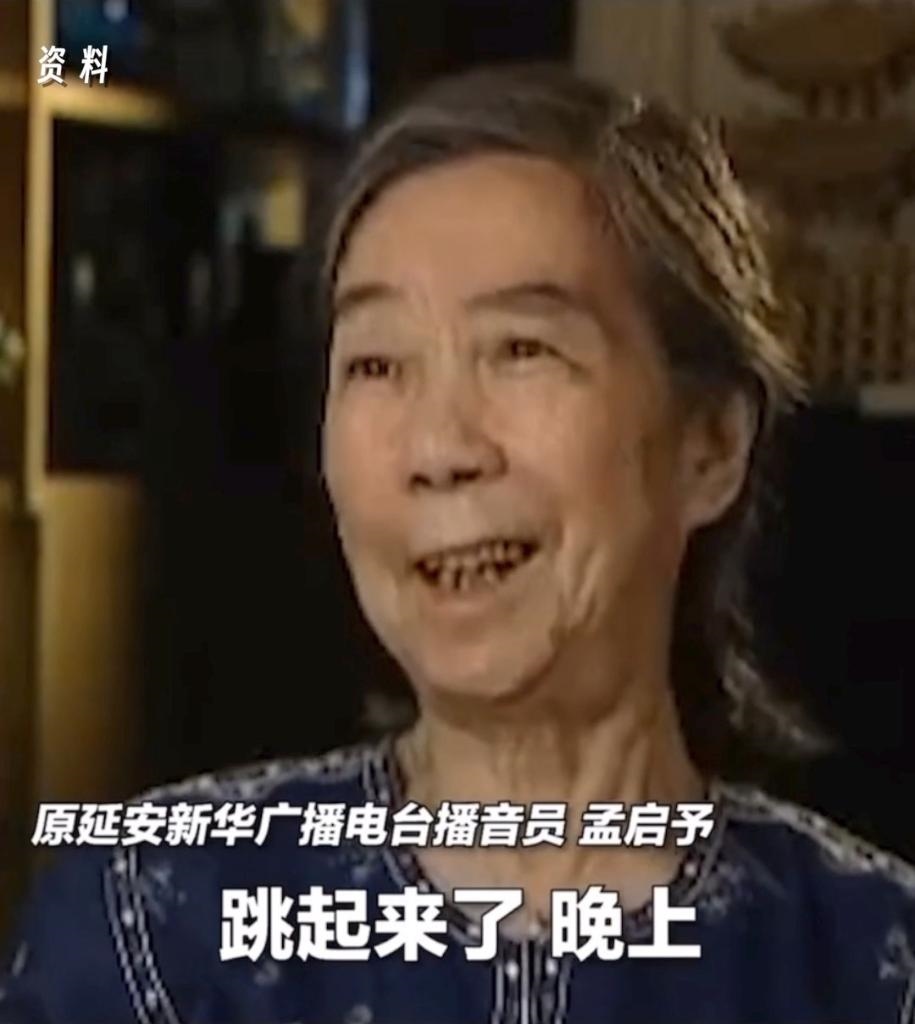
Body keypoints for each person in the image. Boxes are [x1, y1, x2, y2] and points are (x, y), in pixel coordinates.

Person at [2, 63, 914, 1024]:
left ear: (712, 444)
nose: (438, 449)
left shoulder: (871, 967)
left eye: (521, 350)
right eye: (376, 363)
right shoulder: (147, 930)